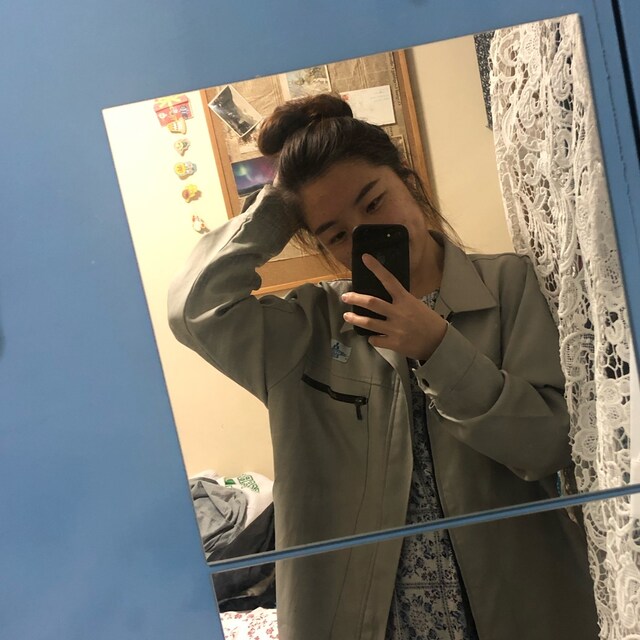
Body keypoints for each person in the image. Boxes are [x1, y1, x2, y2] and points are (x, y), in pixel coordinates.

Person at [168, 94, 599, 640]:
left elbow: (548, 447)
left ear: (408, 181)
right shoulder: (310, 327)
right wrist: (280, 203)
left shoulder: (507, 285)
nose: (364, 235)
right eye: (336, 234)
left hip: (516, 607)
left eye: (374, 203)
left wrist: (439, 348)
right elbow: (194, 309)